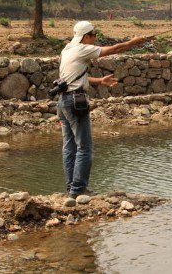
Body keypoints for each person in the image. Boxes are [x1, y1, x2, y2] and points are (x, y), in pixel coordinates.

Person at [57, 21, 145, 206]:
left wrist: (99, 81)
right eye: (94, 34)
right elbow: (114, 49)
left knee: (69, 147)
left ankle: (71, 189)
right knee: (85, 147)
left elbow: (76, 77)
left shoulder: (67, 49)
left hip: (63, 102)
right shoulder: (82, 49)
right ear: (86, 36)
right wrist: (133, 42)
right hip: (75, 102)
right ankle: (78, 189)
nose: (95, 38)